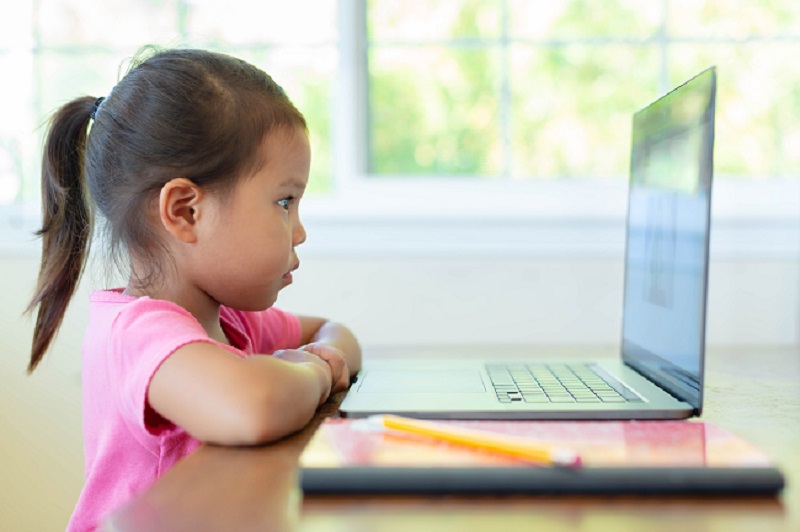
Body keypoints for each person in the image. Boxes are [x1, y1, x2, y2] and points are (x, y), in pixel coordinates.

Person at [25, 47, 361, 531]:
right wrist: (314, 369)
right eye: (284, 201)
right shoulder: (139, 334)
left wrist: (323, 355)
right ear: (186, 211)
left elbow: (335, 331)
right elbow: (255, 406)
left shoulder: (229, 320)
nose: (300, 229)